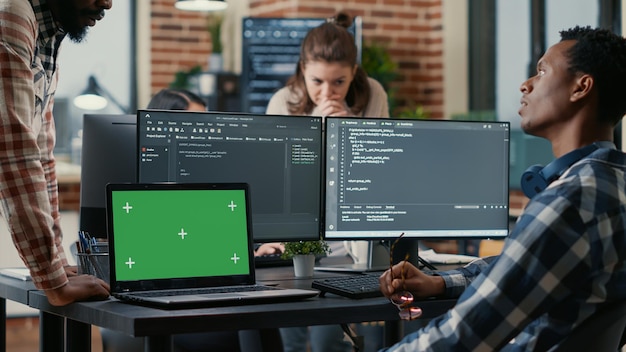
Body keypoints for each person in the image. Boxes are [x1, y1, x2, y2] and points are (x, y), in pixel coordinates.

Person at [378, 25, 626, 351]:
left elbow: (463, 335)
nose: (526, 84)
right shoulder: (612, 184)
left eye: (541, 71)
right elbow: (524, 266)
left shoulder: (568, 202)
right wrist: (441, 282)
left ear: (581, 87)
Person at [100, 87, 283, 352]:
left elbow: (208, 246)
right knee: (254, 326)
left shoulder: (209, 190)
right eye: (196, 127)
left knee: (262, 322)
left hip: (207, 300)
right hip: (170, 312)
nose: (205, 136)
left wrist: (249, 256)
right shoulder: (143, 199)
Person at [266, 11, 389, 352]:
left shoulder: (373, 95)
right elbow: (279, 181)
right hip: (295, 233)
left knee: (329, 340)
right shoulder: (283, 102)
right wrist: (314, 134)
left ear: (354, 74)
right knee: (288, 335)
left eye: (339, 82)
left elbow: (377, 170)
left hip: (347, 238)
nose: (327, 92)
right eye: (317, 81)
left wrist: (346, 130)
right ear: (303, 70)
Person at [0, 0, 112, 306]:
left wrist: (59, 265)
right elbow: (14, 156)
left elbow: (42, 153)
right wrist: (54, 283)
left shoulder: (47, 32)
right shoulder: (10, 16)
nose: (108, 4)